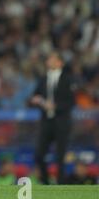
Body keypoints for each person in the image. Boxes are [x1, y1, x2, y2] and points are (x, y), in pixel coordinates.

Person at [30, 52, 75, 184]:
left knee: (60, 156)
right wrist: (37, 101)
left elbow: (71, 102)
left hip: (62, 122)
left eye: (53, 59)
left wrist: (55, 106)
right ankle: (45, 182)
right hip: (46, 122)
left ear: (60, 63)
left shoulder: (67, 79)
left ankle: (60, 185)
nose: (49, 61)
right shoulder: (43, 79)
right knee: (39, 154)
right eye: (49, 59)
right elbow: (34, 96)